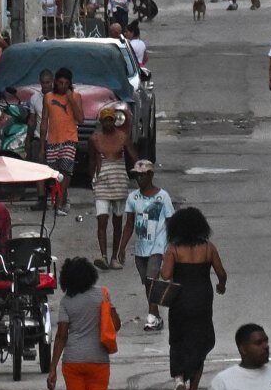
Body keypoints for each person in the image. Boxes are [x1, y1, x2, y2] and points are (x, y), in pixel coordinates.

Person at [47, 257, 121, 390]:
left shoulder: (66, 302)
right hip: (99, 360)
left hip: (73, 361)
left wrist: (52, 369)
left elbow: (61, 336)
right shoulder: (102, 294)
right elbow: (115, 324)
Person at [162, 207, 228, 390]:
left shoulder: (173, 249)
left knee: (178, 339)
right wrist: (221, 286)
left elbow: (165, 275)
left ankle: (179, 378)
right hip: (202, 299)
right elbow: (221, 272)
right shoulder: (208, 247)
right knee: (200, 341)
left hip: (179, 300)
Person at [122, 160, 175, 332]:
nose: (139, 178)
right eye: (137, 175)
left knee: (152, 279)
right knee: (148, 283)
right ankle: (156, 315)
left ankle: (152, 316)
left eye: (143, 175)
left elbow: (170, 221)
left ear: (151, 175)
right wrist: (121, 248)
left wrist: (173, 247)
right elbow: (129, 224)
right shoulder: (133, 197)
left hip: (158, 246)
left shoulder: (163, 197)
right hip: (140, 248)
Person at [89, 106, 136, 269]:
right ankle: (103, 256)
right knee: (102, 220)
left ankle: (114, 257)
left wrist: (137, 170)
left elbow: (133, 157)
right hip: (102, 183)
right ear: (101, 122)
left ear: (114, 121)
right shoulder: (95, 138)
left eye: (111, 120)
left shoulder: (122, 137)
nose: (108, 123)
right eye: (105, 120)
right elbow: (92, 161)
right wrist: (92, 180)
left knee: (117, 222)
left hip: (119, 183)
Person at [40, 70, 82, 211]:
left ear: (70, 84)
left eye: (66, 83)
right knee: (56, 174)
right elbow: (44, 121)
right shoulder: (48, 97)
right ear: (55, 82)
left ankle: (58, 203)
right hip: (53, 140)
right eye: (60, 83)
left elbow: (80, 119)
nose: (63, 86)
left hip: (69, 138)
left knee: (66, 171)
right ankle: (62, 198)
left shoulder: (76, 96)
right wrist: (42, 146)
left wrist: (71, 100)